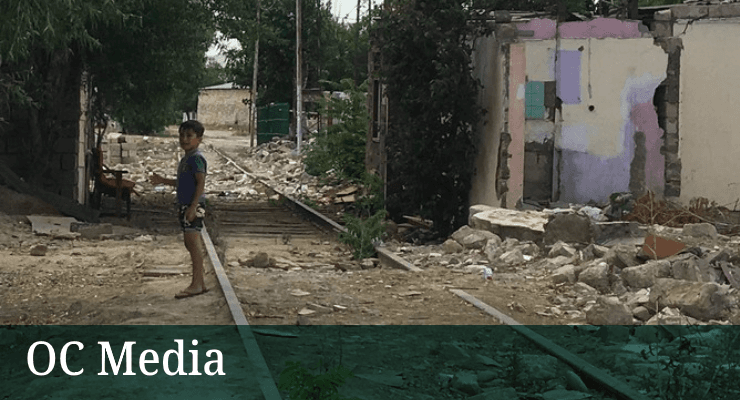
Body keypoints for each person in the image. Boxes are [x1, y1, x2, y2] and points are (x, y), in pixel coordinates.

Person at [150, 120, 208, 299]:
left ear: (199, 139)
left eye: (189, 136)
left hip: (192, 205)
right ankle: (199, 282)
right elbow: (183, 182)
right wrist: (163, 181)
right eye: (181, 135)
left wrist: (193, 206)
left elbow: (200, 183)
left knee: (193, 242)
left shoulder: (197, 158)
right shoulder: (187, 158)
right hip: (186, 204)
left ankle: (197, 284)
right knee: (190, 243)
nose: (184, 139)